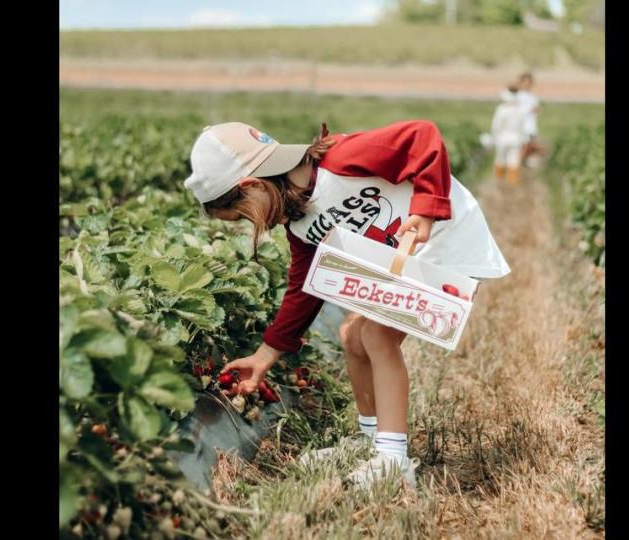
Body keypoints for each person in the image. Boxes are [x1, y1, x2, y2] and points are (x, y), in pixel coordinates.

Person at [183, 120, 510, 490]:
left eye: (243, 215)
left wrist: (425, 208)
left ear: (252, 186)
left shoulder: (342, 160)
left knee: (375, 335)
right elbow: (304, 290)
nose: (250, 224)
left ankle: (393, 463)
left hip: (449, 239)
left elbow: (423, 136)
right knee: (352, 335)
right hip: (408, 258)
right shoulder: (301, 223)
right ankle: (372, 440)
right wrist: (264, 357)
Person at [490, 85, 528, 184]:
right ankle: (512, 183)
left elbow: (496, 125)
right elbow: (523, 126)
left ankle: (499, 181)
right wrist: (523, 138)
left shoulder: (502, 109)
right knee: (514, 161)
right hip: (516, 138)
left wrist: (493, 137)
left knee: (500, 159)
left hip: (502, 138)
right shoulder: (521, 109)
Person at [516, 71, 543, 167]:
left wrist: (536, 110)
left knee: (531, 149)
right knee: (524, 149)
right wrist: (530, 109)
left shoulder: (533, 97)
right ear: (521, 82)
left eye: (529, 82)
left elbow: (537, 110)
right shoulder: (517, 96)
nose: (527, 84)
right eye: (525, 82)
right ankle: (515, 169)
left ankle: (521, 168)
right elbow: (517, 111)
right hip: (521, 127)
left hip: (531, 127)